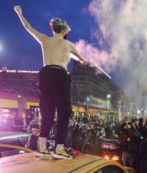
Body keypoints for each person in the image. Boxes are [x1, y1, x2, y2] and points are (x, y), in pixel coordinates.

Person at [14, 5, 88, 159]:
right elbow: (82, 59)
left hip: (45, 74)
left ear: (54, 29)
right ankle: (59, 147)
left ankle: (42, 146)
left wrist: (20, 13)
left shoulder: (45, 39)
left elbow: (29, 28)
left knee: (47, 113)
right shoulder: (69, 45)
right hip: (60, 75)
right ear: (64, 30)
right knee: (64, 112)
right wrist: (85, 59)